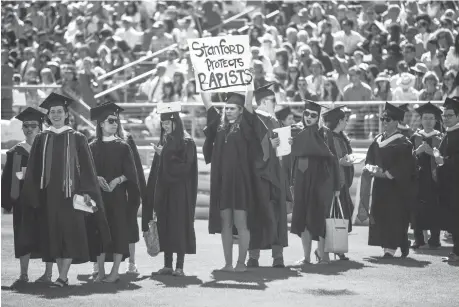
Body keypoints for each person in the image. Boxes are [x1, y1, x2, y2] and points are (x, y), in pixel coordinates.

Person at [20, 92, 111, 287]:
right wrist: (33, 194)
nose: (56, 115)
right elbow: (34, 170)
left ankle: (62, 276)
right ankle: (61, 275)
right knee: (53, 235)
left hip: (72, 195)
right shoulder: (41, 139)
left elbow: (87, 168)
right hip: (48, 196)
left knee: (68, 234)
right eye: (52, 112)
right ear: (48, 115)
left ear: (66, 114)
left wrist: (87, 191)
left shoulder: (78, 138)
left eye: (59, 111)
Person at [201, 90, 273, 272]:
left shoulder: (246, 125)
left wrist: (249, 86)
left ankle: (241, 262)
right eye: (227, 108)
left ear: (241, 110)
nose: (228, 111)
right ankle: (227, 263)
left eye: (233, 108)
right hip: (223, 182)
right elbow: (208, 105)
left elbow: (249, 105)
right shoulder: (220, 125)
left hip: (241, 182)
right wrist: (202, 83)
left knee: (241, 223)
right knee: (225, 223)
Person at [143, 103, 198, 276]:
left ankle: (179, 267)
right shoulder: (164, 141)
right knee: (164, 225)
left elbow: (184, 169)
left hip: (180, 192)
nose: (165, 126)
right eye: (163, 123)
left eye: (168, 123)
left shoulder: (187, 142)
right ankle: (167, 265)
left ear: (176, 122)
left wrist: (164, 155)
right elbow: (158, 169)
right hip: (164, 191)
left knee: (179, 226)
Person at [88, 103, 140, 283]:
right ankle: (100, 271)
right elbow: (86, 171)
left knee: (118, 232)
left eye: (116, 121)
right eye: (110, 121)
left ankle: (115, 271)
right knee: (99, 232)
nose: (115, 124)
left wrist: (117, 180)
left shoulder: (123, 147)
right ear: (101, 124)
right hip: (99, 197)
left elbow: (132, 174)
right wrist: (96, 178)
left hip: (117, 197)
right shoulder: (92, 146)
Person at [1, 107, 53, 285]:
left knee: (48, 236)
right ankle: (23, 274)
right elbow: (6, 179)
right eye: (26, 125)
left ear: (40, 127)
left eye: (33, 125)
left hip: (46, 201)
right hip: (22, 202)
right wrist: (6, 202)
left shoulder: (48, 149)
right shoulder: (16, 151)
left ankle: (48, 274)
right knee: (23, 236)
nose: (29, 128)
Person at [289, 100, 340, 265]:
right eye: (306, 114)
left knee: (320, 216)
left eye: (313, 115)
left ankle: (323, 255)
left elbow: (334, 160)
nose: (309, 117)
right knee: (303, 216)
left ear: (318, 117)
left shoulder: (326, 133)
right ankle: (306, 257)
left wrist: (337, 185)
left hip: (322, 179)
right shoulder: (295, 131)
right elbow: (285, 155)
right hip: (301, 179)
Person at [364, 102, 417, 258]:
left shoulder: (403, 143)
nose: (384, 123)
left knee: (394, 215)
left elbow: (405, 166)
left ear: (396, 122)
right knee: (380, 213)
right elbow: (370, 160)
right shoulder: (377, 140)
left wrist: (386, 174)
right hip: (380, 185)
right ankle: (400, 242)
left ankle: (390, 248)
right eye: (383, 119)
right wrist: (371, 168)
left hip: (396, 187)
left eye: (388, 120)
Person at [246, 84, 289, 268]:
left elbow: (281, 152)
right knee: (257, 215)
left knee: (277, 216)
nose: (276, 104)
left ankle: (277, 256)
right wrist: (268, 148)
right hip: (259, 176)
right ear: (263, 101)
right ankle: (253, 256)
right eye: (273, 100)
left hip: (276, 175)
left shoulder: (276, 121)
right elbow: (249, 148)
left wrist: (286, 144)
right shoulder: (253, 119)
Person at [322, 106, 355, 261]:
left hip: (342, 182)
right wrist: (340, 161)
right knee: (332, 216)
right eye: (344, 119)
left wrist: (348, 160)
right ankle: (329, 249)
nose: (346, 122)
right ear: (338, 121)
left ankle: (337, 247)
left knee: (343, 214)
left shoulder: (341, 137)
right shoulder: (327, 137)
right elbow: (327, 159)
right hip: (333, 182)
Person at [410, 102, 444, 250]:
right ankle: (418, 239)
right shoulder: (415, 137)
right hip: (418, 178)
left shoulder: (441, 137)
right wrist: (417, 151)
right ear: (421, 120)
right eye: (425, 118)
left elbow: (445, 159)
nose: (428, 121)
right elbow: (406, 158)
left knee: (435, 208)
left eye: (431, 118)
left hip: (435, 179)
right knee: (417, 209)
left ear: (436, 120)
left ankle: (435, 239)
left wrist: (433, 154)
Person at [435, 97, 459, 262]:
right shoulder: (449, 133)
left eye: (450, 115)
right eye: (444, 115)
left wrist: (443, 160)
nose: (446, 118)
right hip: (450, 184)